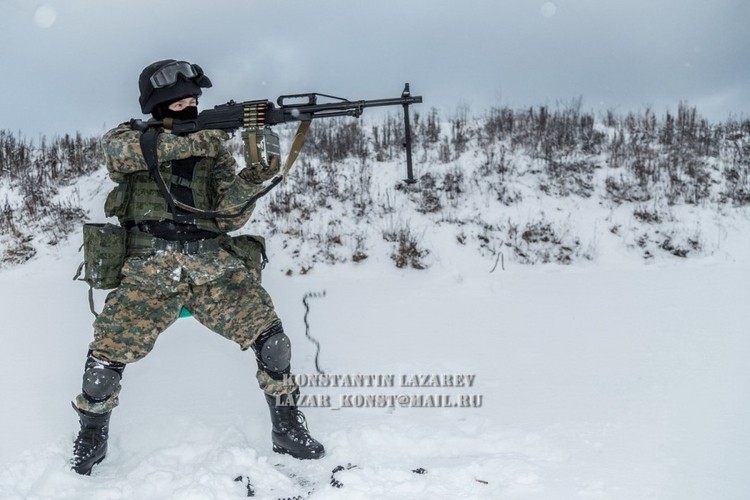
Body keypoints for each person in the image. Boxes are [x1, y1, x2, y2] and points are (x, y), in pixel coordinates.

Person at [71, 59, 324, 476]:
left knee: (273, 342)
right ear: (160, 101)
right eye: (183, 96)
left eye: (195, 97)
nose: (191, 101)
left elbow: (229, 217)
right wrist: (200, 137)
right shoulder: (128, 137)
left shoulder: (214, 149)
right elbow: (124, 154)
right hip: (148, 270)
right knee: (104, 363)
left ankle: (287, 428)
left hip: (212, 266)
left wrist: (253, 176)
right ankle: (91, 436)